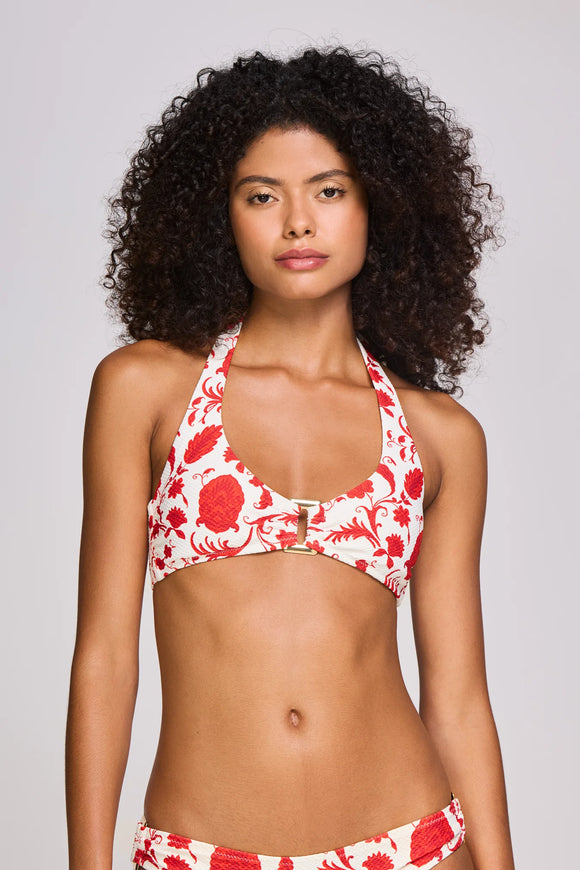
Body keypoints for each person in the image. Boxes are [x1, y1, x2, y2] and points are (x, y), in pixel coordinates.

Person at [65, 46, 514, 870]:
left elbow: (458, 699)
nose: (298, 222)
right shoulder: (147, 390)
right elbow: (104, 659)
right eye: (262, 195)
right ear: (220, 216)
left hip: (409, 844)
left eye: (330, 191)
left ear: (380, 207)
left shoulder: (442, 436)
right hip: (203, 849)